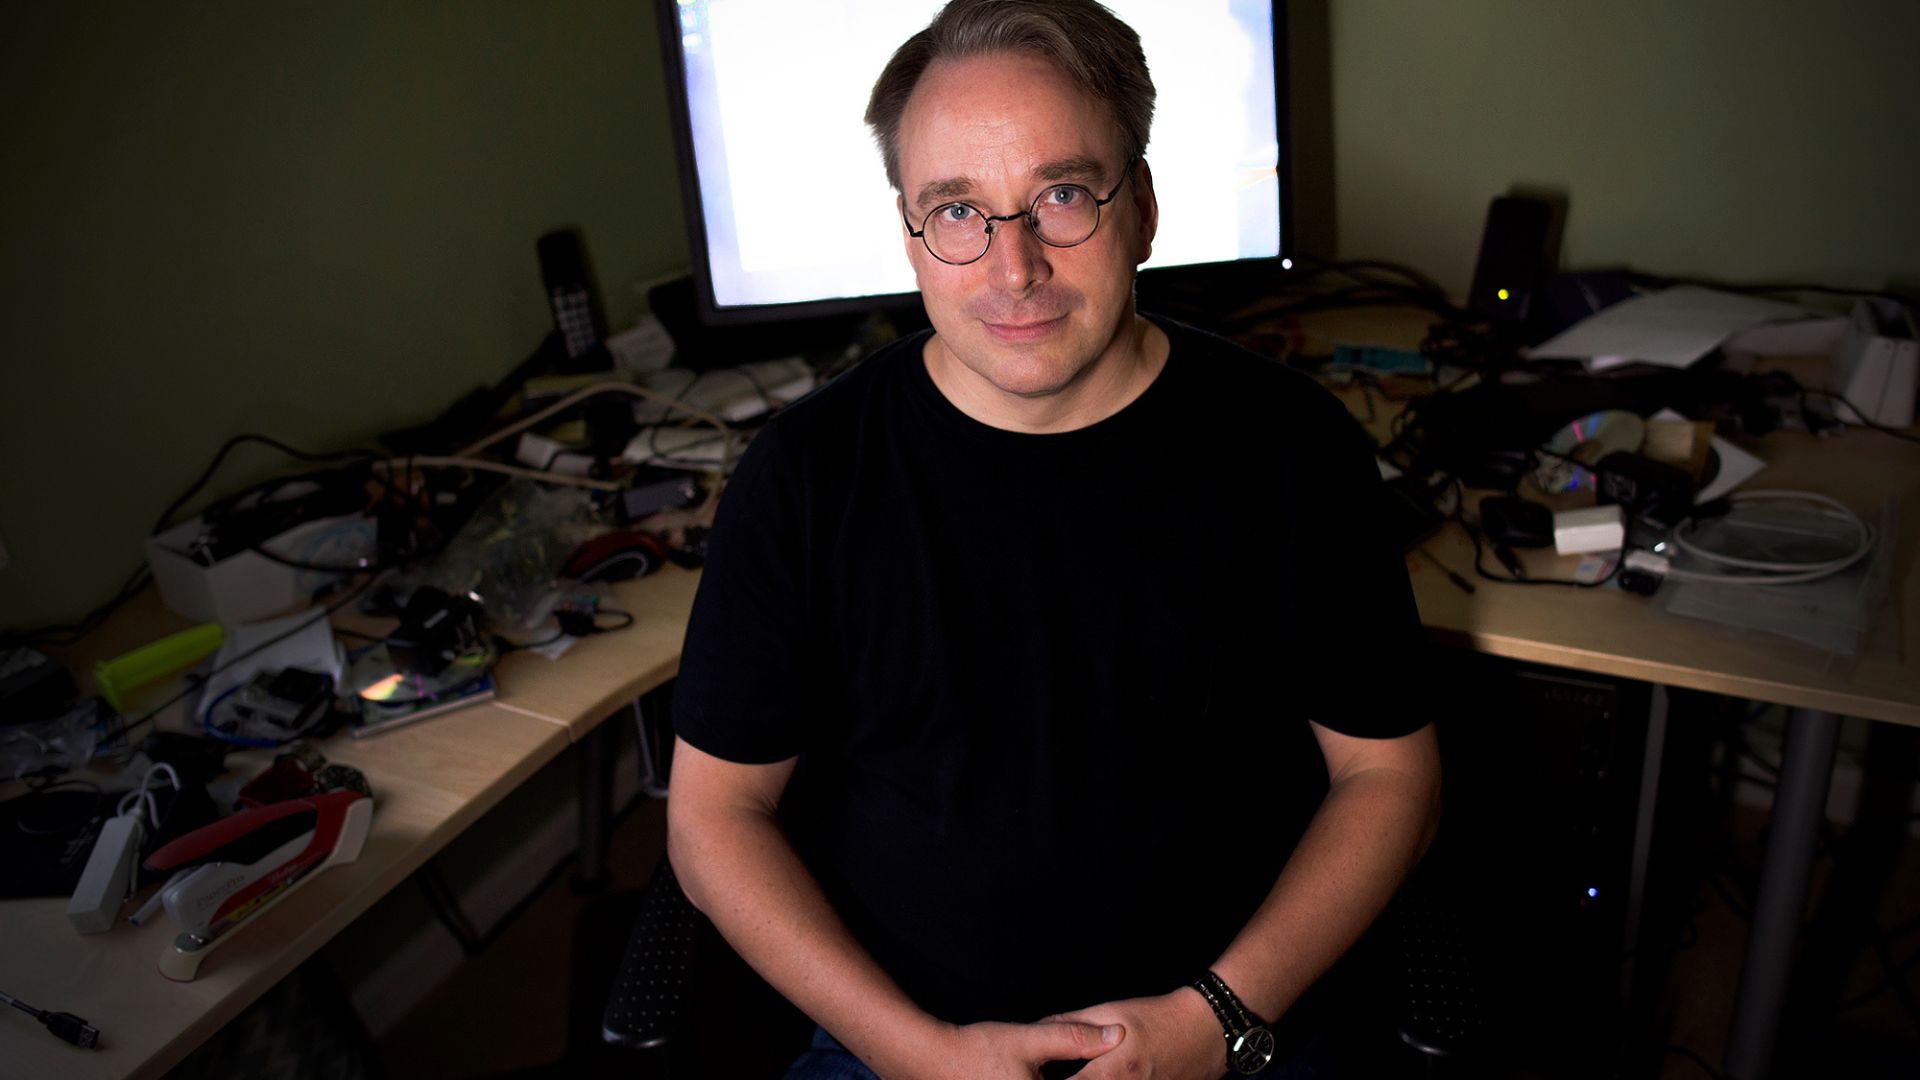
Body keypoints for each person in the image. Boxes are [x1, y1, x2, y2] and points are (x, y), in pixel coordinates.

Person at [668, 2, 1441, 1077]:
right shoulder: (802, 478)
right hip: (905, 1042)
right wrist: (916, 1053)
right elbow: (715, 818)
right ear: (909, 235)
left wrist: (1216, 1021)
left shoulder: (1293, 446)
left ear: (1145, 210)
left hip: (1235, 1027)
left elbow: (1389, 777)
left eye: (1061, 197)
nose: (1013, 267)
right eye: (957, 211)